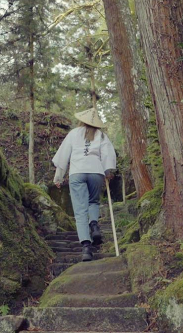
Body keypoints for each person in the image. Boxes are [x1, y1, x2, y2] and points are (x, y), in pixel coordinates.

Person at [52, 107, 117, 262]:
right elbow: (108, 154)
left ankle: (86, 247)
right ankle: (94, 225)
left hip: (77, 172)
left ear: (81, 120)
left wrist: (58, 178)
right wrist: (108, 171)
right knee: (93, 201)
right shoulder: (101, 135)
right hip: (96, 172)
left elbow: (63, 157)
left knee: (80, 211)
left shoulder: (73, 134)